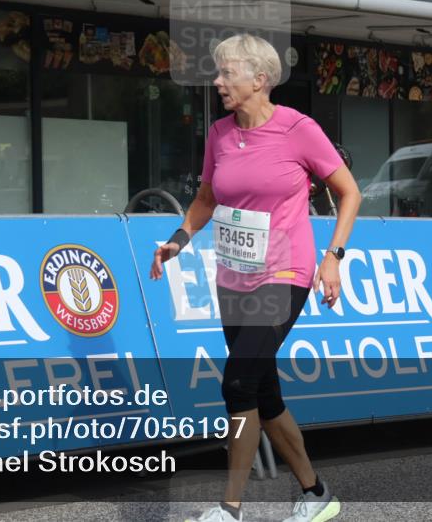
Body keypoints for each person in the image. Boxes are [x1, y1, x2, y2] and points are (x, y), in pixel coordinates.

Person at [150, 34, 360, 522]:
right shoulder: (220, 133)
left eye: (228, 73)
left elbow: (349, 192)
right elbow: (207, 199)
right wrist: (178, 240)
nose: (218, 82)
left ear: (260, 80)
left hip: (285, 271)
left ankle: (230, 507)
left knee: (238, 384)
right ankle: (316, 494)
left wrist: (334, 256)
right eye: (218, 72)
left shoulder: (298, 129)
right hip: (234, 276)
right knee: (264, 395)